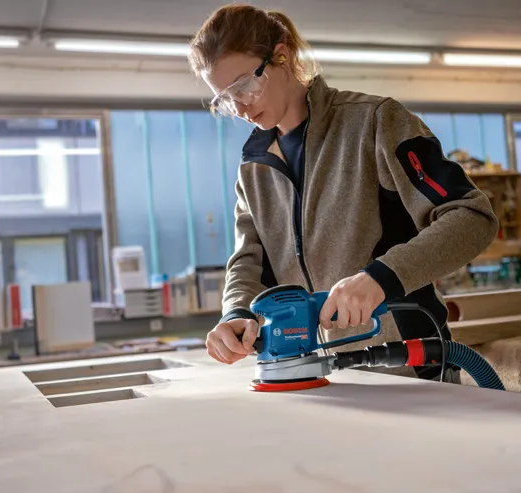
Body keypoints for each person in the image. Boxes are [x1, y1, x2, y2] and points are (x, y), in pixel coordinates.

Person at [188, 4, 499, 383]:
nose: (239, 106)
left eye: (244, 86)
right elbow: (248, 259)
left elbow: (471, 217)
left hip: (409, 367)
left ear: (282, 56)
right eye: (224, 99)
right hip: (321, 374)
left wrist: (380, 279)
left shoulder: (374, 123)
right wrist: (235, 313)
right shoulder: (253, 167)